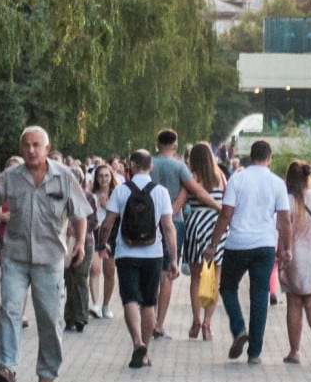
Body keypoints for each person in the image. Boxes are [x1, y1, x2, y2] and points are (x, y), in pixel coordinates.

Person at [0, 126, 93, 382]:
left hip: (50, 258)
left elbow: (80, 214)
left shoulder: (63, 177)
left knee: (50, 317)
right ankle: (7, 367)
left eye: (36, 145)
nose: (31, 150)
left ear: (47, 149)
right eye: (26, 145)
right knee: (10, 309)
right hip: (15, 255)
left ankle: (47, 372)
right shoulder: (10, 177)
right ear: (21, 149)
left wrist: (81, 244)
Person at [203, 140, 291, 366]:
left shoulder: (237, 179)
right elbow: (284, 221)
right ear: (269, 158)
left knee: (228, 287)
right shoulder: (277, 183)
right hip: (264, 245)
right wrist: (285, 248)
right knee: (260, 296)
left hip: (238, 244)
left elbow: (225, 214)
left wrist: (213, 244)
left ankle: (239, 328)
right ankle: (254, 352)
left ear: (250, 156)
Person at [100, 150, 179, 369]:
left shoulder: (121, 191)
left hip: (126, 254)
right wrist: (173, 258)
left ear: (132, 165)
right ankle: (145, 351)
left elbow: (107, 223)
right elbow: (168, 227)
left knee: (130, 300)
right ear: (150, 167)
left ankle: (136, 343)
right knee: (148, 302)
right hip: (153, 254)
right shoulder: (161, 192)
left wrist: (102, 243)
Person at [149, 129, 220, 339]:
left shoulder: (149, 165)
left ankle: (149, 318)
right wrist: (219, 207)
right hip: (175, 223)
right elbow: (192, 192)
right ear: (176, 145)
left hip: (149, 222)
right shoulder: (180, 167)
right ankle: (159, 324)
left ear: (157, 143)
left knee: (152, 271)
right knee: (168, 274)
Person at [280, 160, 311, 364]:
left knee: (294, 303)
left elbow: (284, 230)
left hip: (295, 254)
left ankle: (294, 352)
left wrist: (282, 255)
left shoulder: (287, 201)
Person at [180, 143, 227, 340]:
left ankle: (196, 320)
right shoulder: (221, 177)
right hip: (216, 226)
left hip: (196, 226)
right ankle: (208, 323)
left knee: (197, 277)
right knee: (214, 277)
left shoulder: (192, 177)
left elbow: (183, 199)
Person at [63, 164, 97, 333]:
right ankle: (69, 316)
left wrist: (77, 230)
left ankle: (81, 316)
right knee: (69, 279)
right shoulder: (61, 197)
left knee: (81, 277)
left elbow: (93, 220)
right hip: (66, 243)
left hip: (85, 243)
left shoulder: (87, 196)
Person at [88, 164, 118, 316]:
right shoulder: (91, 195)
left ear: (111, 177)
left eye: (106, 175)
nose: (104, 179)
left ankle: (106, 305)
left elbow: (122, 215)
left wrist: (108, 206)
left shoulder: (117, 194)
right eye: (100, 176)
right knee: (95, 269)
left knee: (109, 272)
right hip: (94, 232)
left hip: (111, 233)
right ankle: (95, 304)